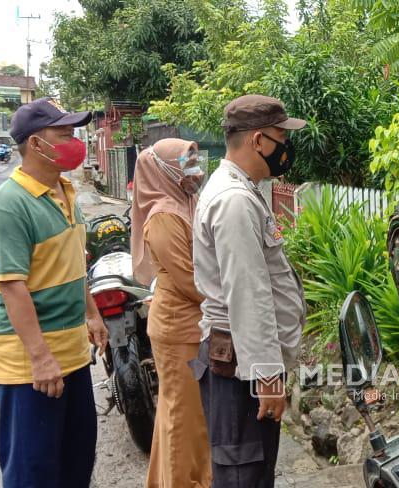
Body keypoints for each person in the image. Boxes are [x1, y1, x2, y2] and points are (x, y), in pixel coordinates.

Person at [0, 98, 108, 487]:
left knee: (75, 464)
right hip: (29, 365)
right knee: (33, 474)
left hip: (71, 355)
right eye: (64, 134)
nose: (74, 141)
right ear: (35, 144)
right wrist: (40, 358)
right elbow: (13, 286)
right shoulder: (8, 205)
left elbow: (73, 263)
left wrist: (91, 313)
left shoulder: (65, 190)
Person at [191, 95, 306, 488]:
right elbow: (248, 296)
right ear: (258, 141)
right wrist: (268, 379)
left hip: (240, 364)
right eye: (280, 138)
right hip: (240, 369)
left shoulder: (243, 190)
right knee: (244, 476)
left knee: (252, 474)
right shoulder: (235, 200)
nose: (285, 148)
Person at [130, 138, 211, 487]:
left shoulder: (185, 205)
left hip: (188, 325)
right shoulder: (164, 215)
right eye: (186, 161)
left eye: (195, 159)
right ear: (163, 170)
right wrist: (232, 301)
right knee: (183, 420)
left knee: (177, 413)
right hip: (180, 330)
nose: (195, 168)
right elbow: (190, 280)